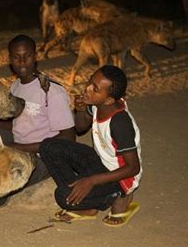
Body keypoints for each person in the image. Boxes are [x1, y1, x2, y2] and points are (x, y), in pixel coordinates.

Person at [0, 34, 76, 205]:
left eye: (27, 56)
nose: (22, 61)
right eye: (17, 57)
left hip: (43, 156)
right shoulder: (16, 86)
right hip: (18, 142)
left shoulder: (51, 91)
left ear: (35, 56)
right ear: (10, 60)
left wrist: (17, 147)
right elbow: (19, 122)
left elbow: (68, 138)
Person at [39, 65, 142, 227]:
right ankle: (86, 202)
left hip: (120, 177)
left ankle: (118, 196)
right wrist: (80, 109)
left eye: (95, 89)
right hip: (100, 162)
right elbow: (80, 128)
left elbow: (133, 168)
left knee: (62, 196)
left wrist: (91, 181)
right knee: (48, 147)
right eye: (90, 82)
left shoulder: (120, 123)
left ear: (108, 99)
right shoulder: (98, 103)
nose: (87, 89)